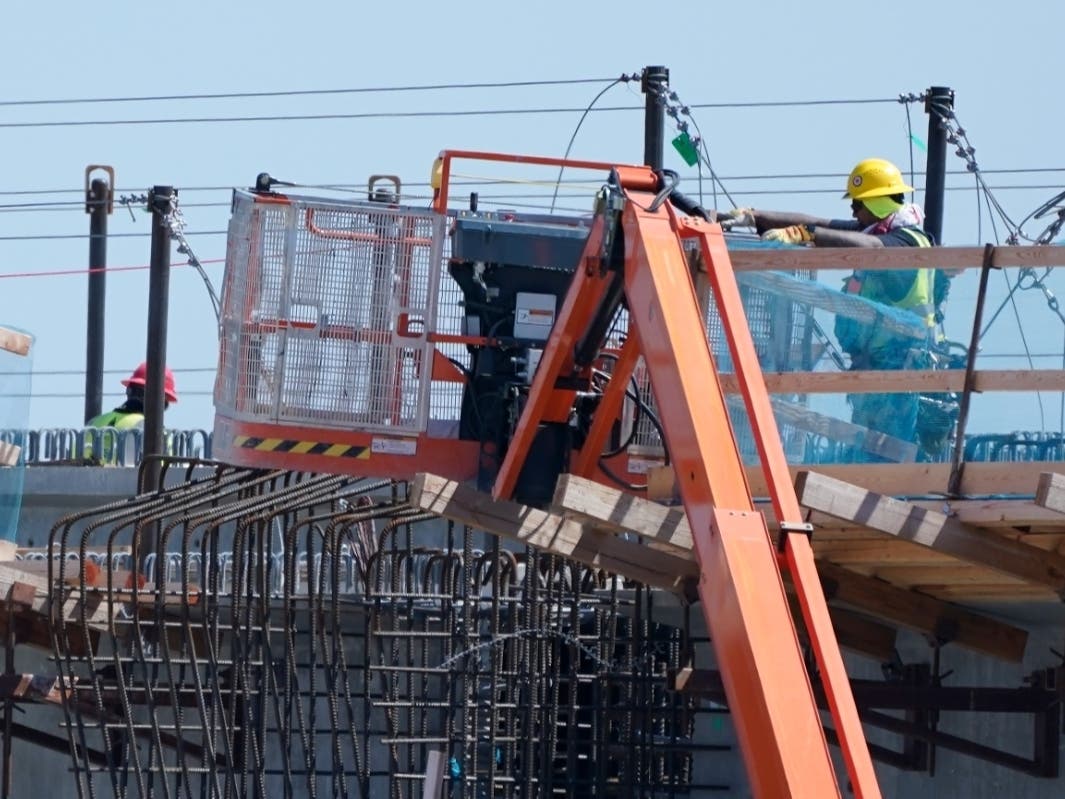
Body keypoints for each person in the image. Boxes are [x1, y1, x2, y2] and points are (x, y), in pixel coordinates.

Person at [719, 158, 940, 457]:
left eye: (857, 203)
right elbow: (821, 223)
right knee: (869, 449)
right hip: (876, 366)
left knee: (884, 456)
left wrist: (807, 235)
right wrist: (754, 217)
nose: (852, 211)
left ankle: (886, 494)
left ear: (875, 203)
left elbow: (872, 249)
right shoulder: (878, 230)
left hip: (899, 368)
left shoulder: (904, 242)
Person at [84, 362, 179, 464]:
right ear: (157, 399)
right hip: (134, 480)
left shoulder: (94, 423)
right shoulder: (151, 429)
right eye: (165, 404)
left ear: (129, 391)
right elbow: (164, 471)